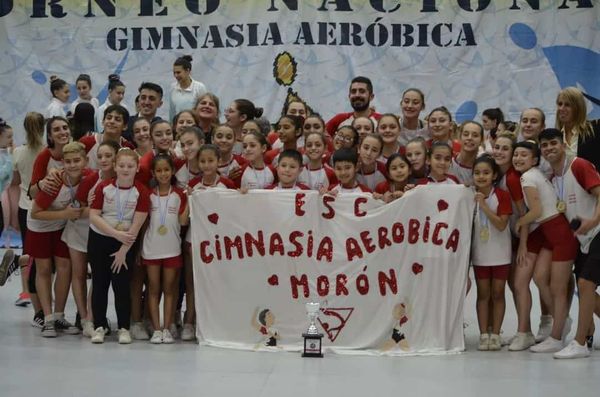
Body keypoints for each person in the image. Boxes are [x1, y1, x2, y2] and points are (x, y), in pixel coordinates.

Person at [538, 129, 600, 358]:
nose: (549, 148)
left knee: (585, 284)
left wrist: (594, 219)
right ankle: (580, 336)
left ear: (563, 144)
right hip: (583, 238)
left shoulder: (579, 165)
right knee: (589, 295)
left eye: (553, 143)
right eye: (544, 145)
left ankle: (580, 342)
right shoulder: (554, 179)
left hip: (598, 230)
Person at [511, 140, 578, 353]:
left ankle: (557, 335)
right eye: (516, 154)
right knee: (541, 277)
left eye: (524, 155)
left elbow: (536, 211)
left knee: (558, 288)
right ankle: (561, 322)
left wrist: (520, 222)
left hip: (557, 232)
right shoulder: (536, 175)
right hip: (552, 231)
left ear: (535, 160)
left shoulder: (527, 177)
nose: (518, 158)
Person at [88, 148, 150, 344]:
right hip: (100, 239)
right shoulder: (104, 187)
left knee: (122, 286)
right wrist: (115, 234)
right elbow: (94, 216)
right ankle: (99, 326)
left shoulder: (141, 192)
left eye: (130, 166)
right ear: (114, 167)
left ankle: (123, 327)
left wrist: (123, 250)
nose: (125, 169)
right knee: (99, 284)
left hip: (125, 244)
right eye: (121, 165)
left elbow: (137, 224)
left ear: (137, 168)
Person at [28, 142, 88, 337]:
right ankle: (48, 319)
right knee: (44, 270)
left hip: (63, 225)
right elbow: (36, 213)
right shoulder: (54, 182)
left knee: (65, 269)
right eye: (68, 162)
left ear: (85, 161)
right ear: (62, 163)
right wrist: (65, 213)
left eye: (77, 160)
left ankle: (59, 315)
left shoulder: (88, 177)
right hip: (41, 226)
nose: (73, 165)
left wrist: (66, 215)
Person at [142, 154, 188, 344]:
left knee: (170, 289)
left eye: (166, 170)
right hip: (151, 249)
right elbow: (144, 223)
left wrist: (190, 201)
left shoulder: (179, 195)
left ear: (173, 171)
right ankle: (157, 329)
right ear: (153, 172)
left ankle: (168, 328)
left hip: (172, 249)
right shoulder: (148, 195)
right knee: (153, 289)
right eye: (159, 171)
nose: (163, 174)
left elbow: (183, 221)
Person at [470, 155, 512, 351]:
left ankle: (495, 333)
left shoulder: (502, 195)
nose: (481, 176)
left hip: (501, 253)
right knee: (483, 294)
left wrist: (484, 206)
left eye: (486, 173)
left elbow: (502, 225)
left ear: (494, 175)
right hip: (480, 254)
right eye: (477, 173)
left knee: (498, 293)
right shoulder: (468, 195)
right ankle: (483, 335)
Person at [5, 113, 44, 314]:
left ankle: (25, 291)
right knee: (42, 257)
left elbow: (14, 181)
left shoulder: (18, 153)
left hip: (24, 206)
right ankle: (37, 292)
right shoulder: (47, 152)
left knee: (30, 252)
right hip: (43, 209)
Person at [555, 86, 600, 172]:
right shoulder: (556, 136)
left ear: (578, 107)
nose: (561, 108)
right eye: (560, 104)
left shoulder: (595, 129)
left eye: (567, 105)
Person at [80, 105, 133, 170]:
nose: (112, 121)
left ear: (125, 126)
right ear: (103, 122)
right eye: (109, 118)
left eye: (117, 119)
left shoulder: (127, 147)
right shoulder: (86, 142)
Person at [169, 55, 207, 122]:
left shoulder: (200, 88)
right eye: (174, 73)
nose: (176, 76)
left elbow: (204, 111)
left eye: (178, 72)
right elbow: (172, 112)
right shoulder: (172, 88)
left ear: (188, 71)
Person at [449, 121, 484, 185]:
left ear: (481, 141)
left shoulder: (484, 169)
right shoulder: (448, 164)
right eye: (466, 134)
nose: (470, 138)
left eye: (475, 135)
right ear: (459, 137)